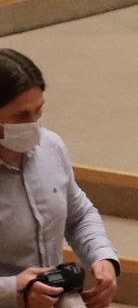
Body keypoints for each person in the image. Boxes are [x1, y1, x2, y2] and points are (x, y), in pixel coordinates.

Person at [0, 51, 118, 308]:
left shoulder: (51, 147)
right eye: (20, 117)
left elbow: (79, 215)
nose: (33, 125)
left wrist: (103, 257)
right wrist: (11, 290)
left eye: (38, 112)